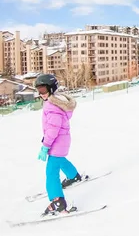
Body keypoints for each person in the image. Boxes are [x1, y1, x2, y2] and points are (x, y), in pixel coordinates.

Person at [35, 74, 84, 216]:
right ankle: (73, 175)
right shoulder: (57, 102)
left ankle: (58, 201)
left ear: (51, 88)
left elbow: (52, 129)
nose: (41, 93)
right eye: (39, 90)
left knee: (51, 172)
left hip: (56, 141)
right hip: (62, 141)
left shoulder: (52, 105)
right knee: (60, 160)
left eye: (43, 89)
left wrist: (45, 146)